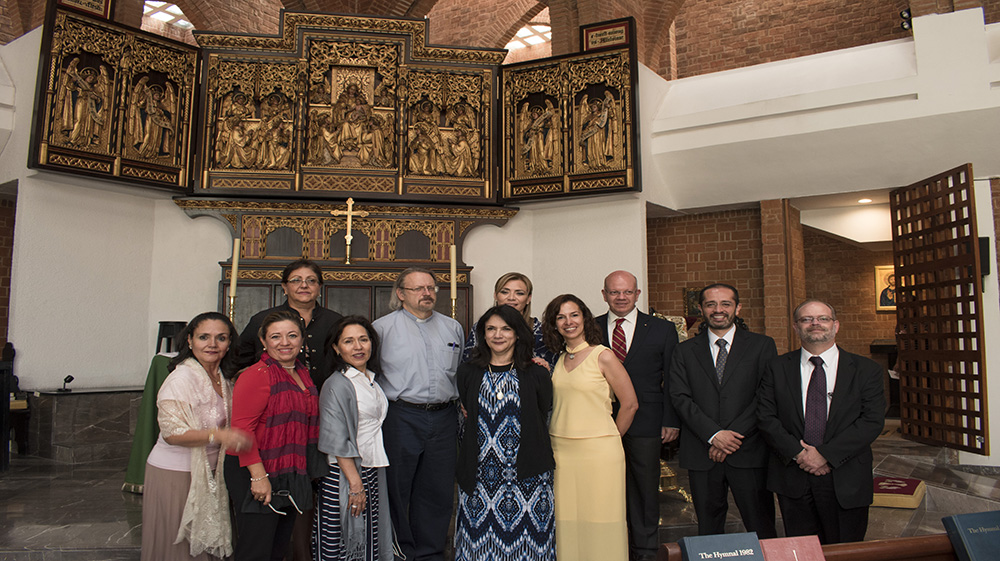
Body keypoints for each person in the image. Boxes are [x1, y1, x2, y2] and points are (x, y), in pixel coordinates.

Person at [758, 299, 885, 544]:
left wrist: (824, 454)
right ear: (796, 327)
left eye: (823, 319)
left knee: (845, 550)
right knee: (802, 550)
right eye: (807, 319)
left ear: (836, 325)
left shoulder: (866, 369)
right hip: (793, 473)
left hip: (845, 474)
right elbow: (766, 417)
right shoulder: (776, 368)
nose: (815, 323)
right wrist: (800, 454)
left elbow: (871, 421)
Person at [669, 283, 777, 538]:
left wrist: (731, 435)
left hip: (748, 450)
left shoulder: (762, 346)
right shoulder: (684, 351)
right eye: (711, 304)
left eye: (725, 304)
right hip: (702, 450)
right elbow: (680, 397)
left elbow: (767, 395)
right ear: (701, 308)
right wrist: (714, 434)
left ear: (737, 307)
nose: (718, 310)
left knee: (760, 524)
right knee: (708, 528)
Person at [141, 312, 252, 561]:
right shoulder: (181, 378)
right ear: (190, 341)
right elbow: (172, 433)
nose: (212, 344)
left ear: (229, 343)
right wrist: (221, 435)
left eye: (221, 338)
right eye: (204, 337)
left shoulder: (223, 378)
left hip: (209, 471)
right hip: (175, 473)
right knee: (180, 548)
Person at [373, 267, 464, 561]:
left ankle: (430, 553)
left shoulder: (453, 328)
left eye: (431, 288)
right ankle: (400, 551)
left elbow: (460, 372)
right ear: (401, 294)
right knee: (398, 488)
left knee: (437, 490)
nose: (427, 293)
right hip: (400, 417)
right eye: (419, 289)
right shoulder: (381, 329)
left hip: (444, 418)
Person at [454, 306, 555, 561]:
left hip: (528, 475)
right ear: (483, 335)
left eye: (506, 329)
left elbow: (544, 412)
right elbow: (467, 411)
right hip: (479, 474)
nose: (498, 335)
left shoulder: (537, 373)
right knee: (480, 541)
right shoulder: (468, 371)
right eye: (491, 329)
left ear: (518, 334)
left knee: (528, 543)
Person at [542, 294, 638, 561]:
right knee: (567, 520)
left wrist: (609, 438)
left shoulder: (603, 355)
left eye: (574, 314)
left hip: (599, 453)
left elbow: (630, 404)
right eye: (560, 317)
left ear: (584, 318)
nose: (568, 321)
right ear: (554, 324)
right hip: (562, 451)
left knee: (601, 520)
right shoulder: (559, 359)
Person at [596, 271, 679, 560]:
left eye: (627, 292)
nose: (621, 298)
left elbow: (673, 377)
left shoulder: (661, 329)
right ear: (604, 294)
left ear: (638, 294)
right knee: (604, 488)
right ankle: (610, 549)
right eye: (614, 292)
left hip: (647, 421)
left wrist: (671, 419)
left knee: (644, 491)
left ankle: (644, 553)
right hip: (599, 421)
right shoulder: (590, 328)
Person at [226, 310, 320, 561]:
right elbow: (241, 431)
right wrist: (259, 477)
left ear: (302, 339)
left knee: (277, 548)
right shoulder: (255, 376)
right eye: (276, 337)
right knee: (256, 550)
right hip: (255, 468)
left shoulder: (301, 372)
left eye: (292, 335)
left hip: (287, 469)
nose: (285, 342)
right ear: (264, 341)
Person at [315, 316, 394, 561]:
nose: (358, 347)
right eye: (348, 341)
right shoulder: (338, 384)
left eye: (363, 339)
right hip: (346, 473)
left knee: (369, 536)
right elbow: (336, 438)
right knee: (343, 539)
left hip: (371, 467)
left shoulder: (370, 379)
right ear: (337, 348)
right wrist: (355, 484)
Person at [237, 259, 343, 391]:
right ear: (285, 287)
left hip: (328, 396)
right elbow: (239, 361)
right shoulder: (262, 320)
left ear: (319, 287)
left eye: (311, 281)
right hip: (275, 396)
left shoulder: (336, 321)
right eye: (296, 280)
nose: (304, 285)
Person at [462, 272, 556, 369]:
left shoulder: (542, 331)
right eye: (504, 292)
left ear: (528, 298)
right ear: (495, 295)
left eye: (519, 293)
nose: (511, 298)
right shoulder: (481, 327)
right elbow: (468, 364)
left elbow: (554, 372)